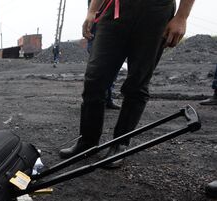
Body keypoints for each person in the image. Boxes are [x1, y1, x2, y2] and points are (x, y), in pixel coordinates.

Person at [59, 0, 195, 168]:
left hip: (155, 12)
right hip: (114, 10)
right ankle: (87, 142)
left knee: (137, 84)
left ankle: (120, 145)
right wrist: (92, 10)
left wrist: (182, 16)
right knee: (95, 79)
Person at [87, 0, 120, 110]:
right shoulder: (95, 6)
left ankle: (107, 98)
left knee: (112, 68)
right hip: (98, 31)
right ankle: (96, 99)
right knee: (98, 69)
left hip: (114, 30)